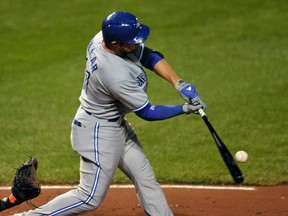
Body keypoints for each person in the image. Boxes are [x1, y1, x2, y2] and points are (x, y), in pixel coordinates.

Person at [14, 11, 206, 216]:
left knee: (145, 177)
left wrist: (179, 83)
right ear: (116, 43)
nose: (137, 44)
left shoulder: (103, 38)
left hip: (116, 125)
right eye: (132, 41)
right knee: (88, 197)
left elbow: (149, 56)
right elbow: (147, 112)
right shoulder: (114, 74)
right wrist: (183, 109)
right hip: (98, 132)